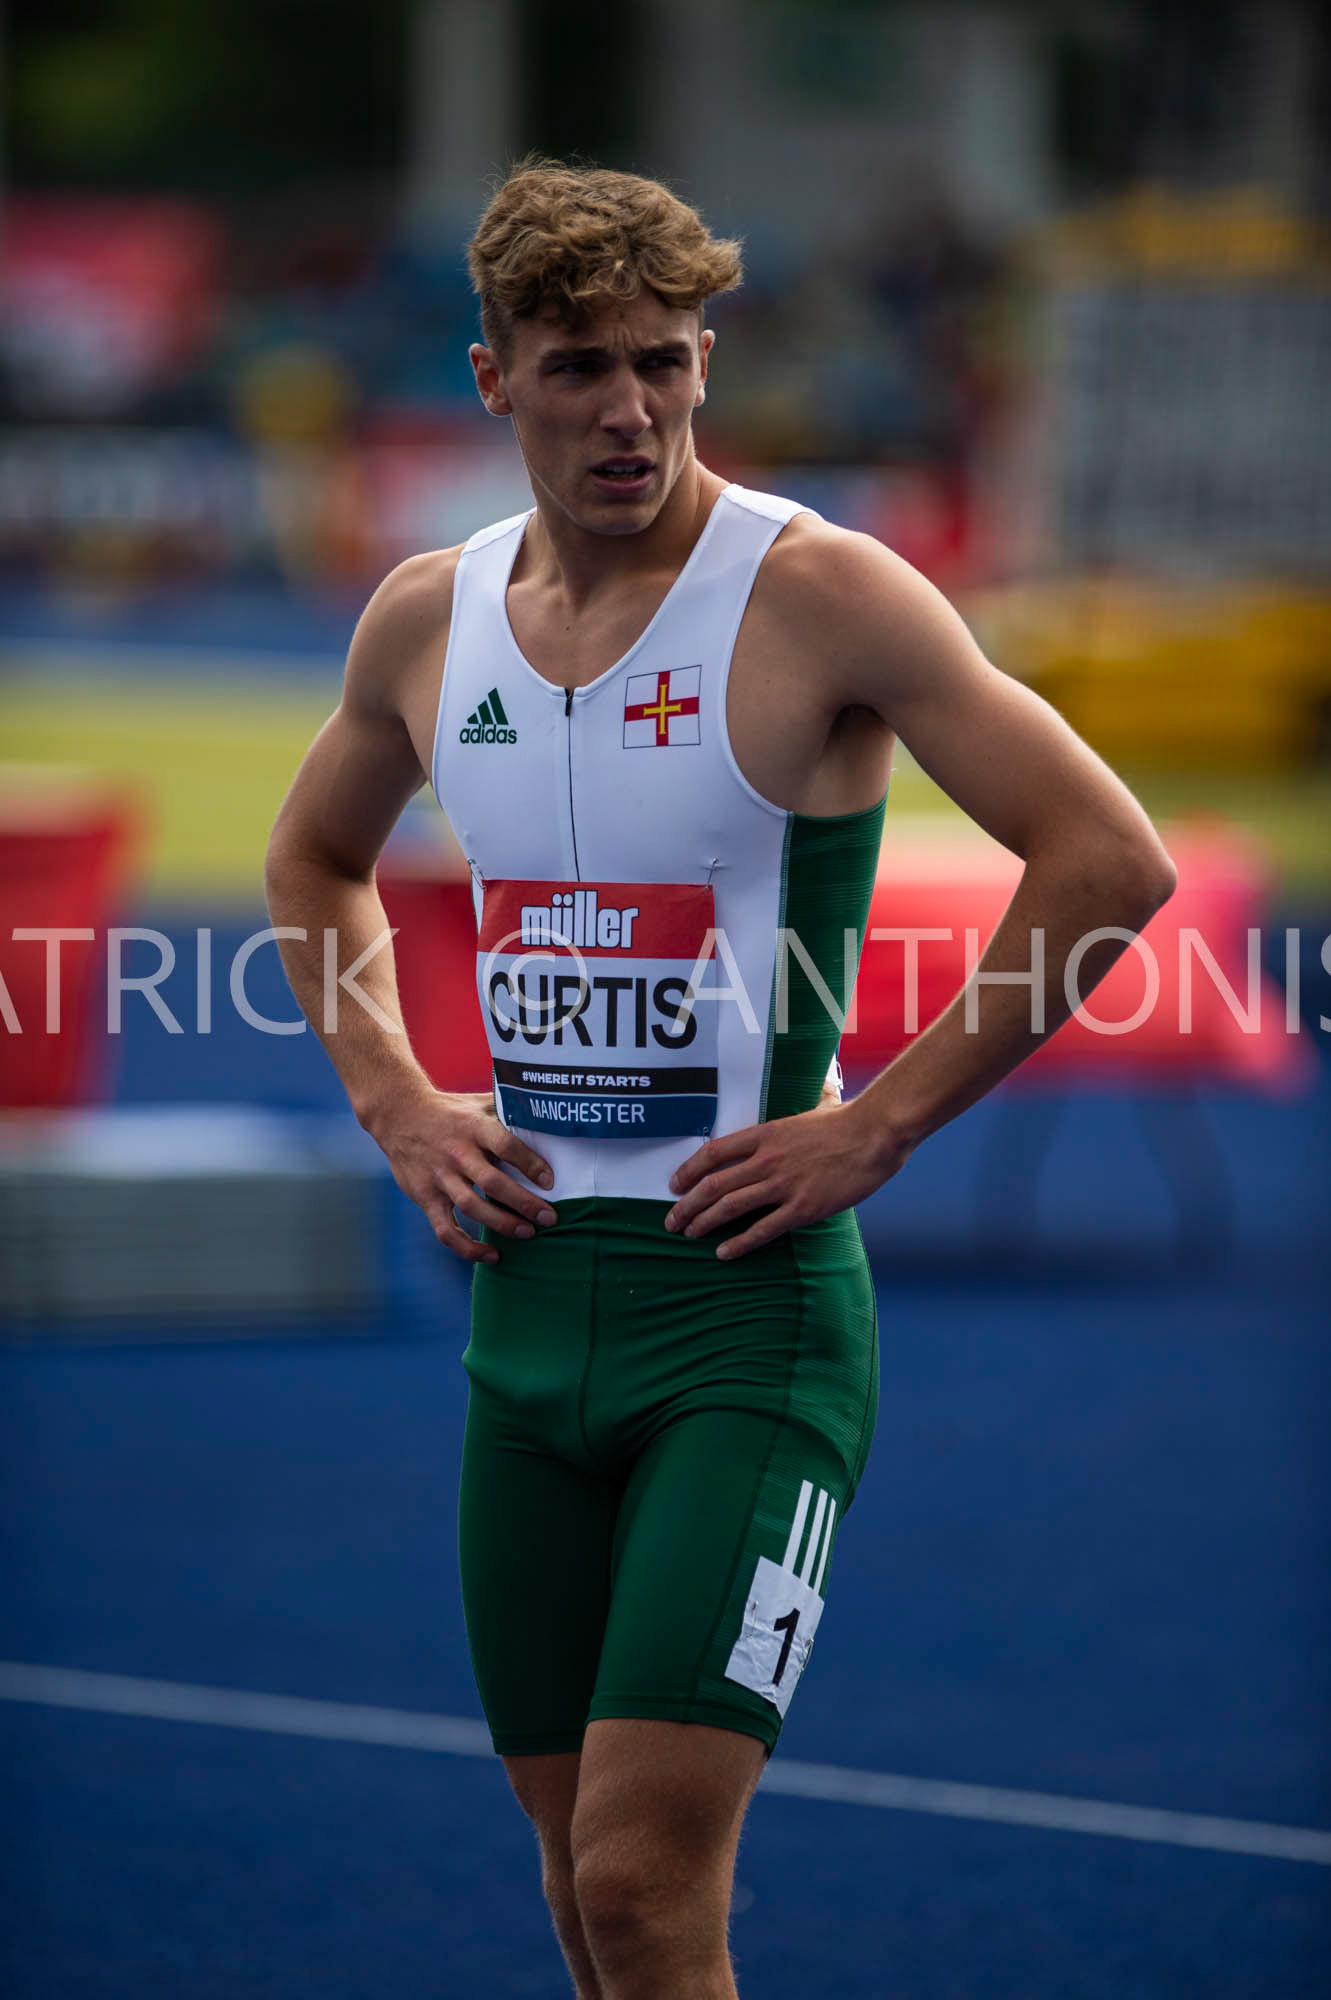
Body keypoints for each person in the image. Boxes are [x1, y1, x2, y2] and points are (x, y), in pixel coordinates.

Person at [265, 159, 1176, 2000]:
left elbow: (1108, 858)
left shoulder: (820, 591)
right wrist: (396, 1102)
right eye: (583, 365)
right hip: (521, 1331)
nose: (634, 410)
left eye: (669, 363)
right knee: (576, 1885)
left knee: (645, 1875)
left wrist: (878, 1120)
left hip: (742, 1332)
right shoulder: (430, 623)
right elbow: (312, 866)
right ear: (491, 376)